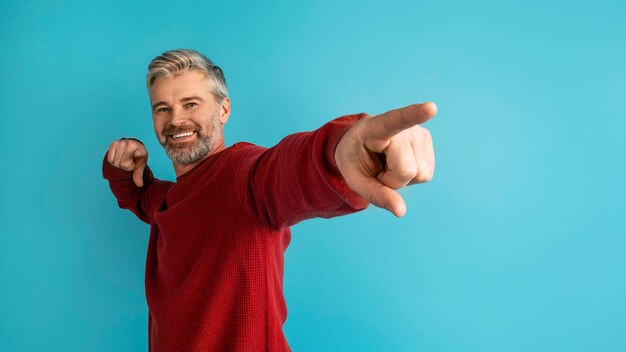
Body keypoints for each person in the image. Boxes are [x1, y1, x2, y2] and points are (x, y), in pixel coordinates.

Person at [103, 48, 437, 352]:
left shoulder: (243, 176)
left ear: (223, 109)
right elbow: (139, 195)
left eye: (191, 104)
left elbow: (288, 170)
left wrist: (340, 151)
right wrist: (121, 162)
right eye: (163, 108)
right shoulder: (167, 201)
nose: (176, 120)